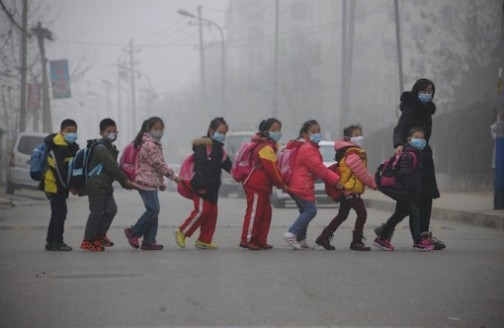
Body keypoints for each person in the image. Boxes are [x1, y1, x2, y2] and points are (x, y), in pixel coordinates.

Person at [376, 78, 446, 250]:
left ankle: (422, 235)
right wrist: (399, 144)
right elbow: (399, 128)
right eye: (424, 90)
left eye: (430, 91)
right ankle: (390, 233)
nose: (427, 94)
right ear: (417, 91)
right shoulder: (411, 109)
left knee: (426, 198)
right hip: (412, 157)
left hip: (425, 158)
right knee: (408, 204)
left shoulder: (427, 111)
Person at [315, 124, 377, 251]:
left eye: (360, 134)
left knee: (342, 215)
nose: (359, 137)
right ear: (348, 138)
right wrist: (373, 184)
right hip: (350, 190)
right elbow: (362, 173)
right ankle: (356, 241)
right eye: (356, 135)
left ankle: (324, 236)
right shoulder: (352, 154)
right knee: (362, 214)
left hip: (347, 190)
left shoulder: (350, 151)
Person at [174, 117, 232, 250]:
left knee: (212, 214)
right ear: (211, 131)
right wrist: (200, 185)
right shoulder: (203, 145)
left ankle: (204, 240)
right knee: (202, 212)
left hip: (213, 186)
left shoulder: (220, 150)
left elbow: (229, 166)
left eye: (224, 133)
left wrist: (241, 175)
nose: (222, 135)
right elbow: (199, 166)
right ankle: (182, 231)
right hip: (202, 186)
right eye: (220, 132)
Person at [373, 127, 434, 252]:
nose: (420, 140)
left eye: (422, 138)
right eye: (417, 137)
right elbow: (404, 174)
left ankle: (382, 237)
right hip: (407, 192)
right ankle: (417, 242)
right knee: (415, 214)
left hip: (406, 192)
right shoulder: (409, 155)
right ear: (409, 139)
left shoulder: (414, 153)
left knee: (399, 215)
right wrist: (411, 189)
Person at [282, 120, 340, 250]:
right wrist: (336, 180)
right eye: (313, 132)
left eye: (318, 131)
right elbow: (319, 168)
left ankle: (301, 239)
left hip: (299, 184)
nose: (317, 134)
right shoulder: (308, 149)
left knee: (305, 211)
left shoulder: (310, 148)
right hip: (302, 185)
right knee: (310, 210)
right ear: (305, 134)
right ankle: (291, 233)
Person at [124, 117, 180, 251]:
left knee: (154, 212)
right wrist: (173, 177)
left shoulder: (155, 143)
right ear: (148, 129)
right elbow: (158, 164)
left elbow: (155, 167)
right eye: (156, 129)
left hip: (151, 182)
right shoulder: (149, 145)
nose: (159, 131)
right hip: (144, 181)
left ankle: (149, 240)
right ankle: (133, 232)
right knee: (153, 209)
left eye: (161, 129)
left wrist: (160, 183)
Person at [79, 118, 133, 251]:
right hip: (96, 185)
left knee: (111, 210)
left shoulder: (111, 148)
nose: (112, 134)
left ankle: (99, 235)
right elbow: (112, 167)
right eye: (109, 131)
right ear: (101, 132)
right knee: (96, 212)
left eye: (115, 131)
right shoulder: (101, 148)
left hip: (105, 186)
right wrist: (125, 181)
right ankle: (87, 240)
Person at [239, 118, 289, 250]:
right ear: (266, 132)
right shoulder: (266, 148)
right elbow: (271, 168)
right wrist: (281, 184)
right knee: (255, 213)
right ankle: (247, 239)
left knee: (266, 214)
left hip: (263, 186)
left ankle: (260, 239)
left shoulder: (270, 146)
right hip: (256, 185)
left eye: (279, 129)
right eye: (274, 130)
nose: (278, 132)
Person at [42, 119, 80, 251]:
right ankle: (57, 242)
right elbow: (59, 170)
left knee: (56, 212)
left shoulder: (71, 146)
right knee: (61, 212)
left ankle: (51, 241)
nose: (72, 134)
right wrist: (68, 186)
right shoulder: (58, 146)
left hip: (58, 184)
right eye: (68, 131)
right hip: (53, 184)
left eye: (74, 131)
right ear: (61, 132)